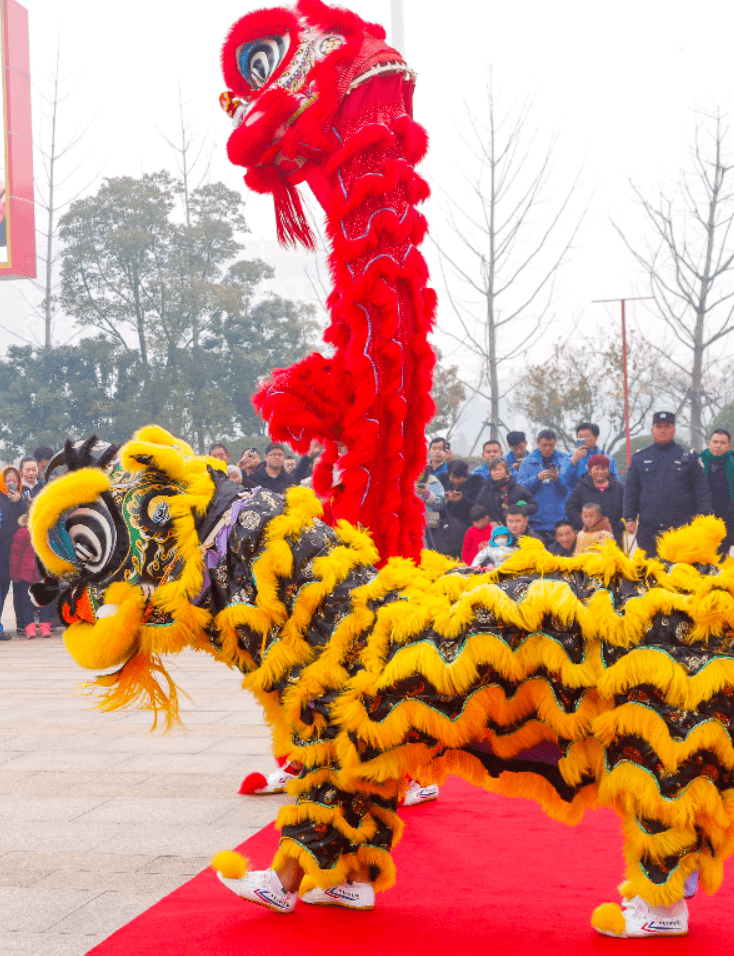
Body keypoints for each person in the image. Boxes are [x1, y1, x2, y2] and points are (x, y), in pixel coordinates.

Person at [623, 411, 713, 558]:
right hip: (649, 527)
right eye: (659, 426)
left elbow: (702, 490)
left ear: (674, 430)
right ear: (652, 430)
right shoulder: (640, 457)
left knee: (680, 568)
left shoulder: (689, 456)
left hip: (681, 526)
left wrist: (704, 517)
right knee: (649, 568)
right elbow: (631, 490)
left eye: (667, 426)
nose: (663, 430)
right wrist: (630, 517)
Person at [516, 429, 570, 543]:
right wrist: (537, 478)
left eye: (551, 445)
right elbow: (519, 489)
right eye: (544, 445)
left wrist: (557, 480)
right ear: (538, 443)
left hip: (559, 521)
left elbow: (570, 489)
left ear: (555, 443)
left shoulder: (565, 460)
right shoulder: (527, 462)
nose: (548, 448)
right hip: (535, 521)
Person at [565, 453, 625, 547]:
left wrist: (620, 525)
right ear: (590, 470)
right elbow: (570, 507)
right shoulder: (581, 487)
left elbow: (627, 507)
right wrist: (584, 524)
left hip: (614, 535)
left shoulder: (619, 487)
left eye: (604, 468)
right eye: (596, 468)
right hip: (588, 536)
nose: (600, 472)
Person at [10, 514, 52, 638]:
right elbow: (15, 556)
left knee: (33, 602)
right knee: (32, 601)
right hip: (29, 573)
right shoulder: (24, 532)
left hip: (36, 572)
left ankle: (39, 628)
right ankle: (34, 628)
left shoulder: (43, 533)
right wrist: (15, 575)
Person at [0, 467, 28, 638]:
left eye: (14, 481)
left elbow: (29, 515)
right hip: (1, 552)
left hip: (15, 554)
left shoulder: (21, 500)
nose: (11, 484)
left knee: (5, 589)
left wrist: (20, 500)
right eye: (8, 480)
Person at [474, 457, 537, 527]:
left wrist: (519, 509)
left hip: (517, 527)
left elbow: (533, 507)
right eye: (494, 470)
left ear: (506, 471)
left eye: (500, 469)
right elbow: (477, 509)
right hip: (493, 529)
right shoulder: (485, 490)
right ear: (490, 472)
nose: (497, 472)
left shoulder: (519, 488)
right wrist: (490, 521)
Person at [700, 428, 734, 557]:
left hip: (728, 519)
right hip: (704, 518)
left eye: (722, 442)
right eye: (715, 442)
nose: (718, 445)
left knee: (723, 557)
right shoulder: (698, 462)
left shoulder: (732, 462)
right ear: (708, 443)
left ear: (729, 446)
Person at [561, 422, 619, 491]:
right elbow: (564, 482)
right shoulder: (570, 458)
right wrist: (573, 461)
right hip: (577, 496)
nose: (584, 439)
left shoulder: (607, 459)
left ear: (596, 438)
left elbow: (615, 484)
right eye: (580, 437)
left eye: (587, 436)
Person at [251, 443, 317, 493]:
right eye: (273, 454)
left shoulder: (289, 479)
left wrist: (309, 455)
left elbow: (299, 472)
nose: (277, 457)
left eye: (280, 455)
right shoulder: (254, 477)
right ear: (266, 457)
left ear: (284, 457)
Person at [440, 459, 484, 530]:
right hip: (445, 524)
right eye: (453, 477)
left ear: (465, 476)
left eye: (459, 478)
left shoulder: (476, 482)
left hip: (467, 524)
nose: (456, 481)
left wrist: (462, 500)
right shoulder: (442, 480)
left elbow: (479, 506)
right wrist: (444, 500)